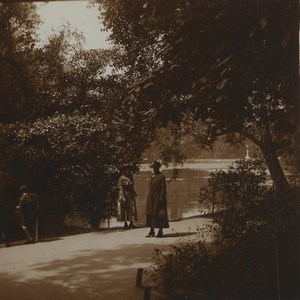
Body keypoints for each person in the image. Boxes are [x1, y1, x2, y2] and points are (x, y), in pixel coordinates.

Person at [145, 160, 169, 238]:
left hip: (158, 198)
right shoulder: (152, 176)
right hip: (151, 197)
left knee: (159, 214)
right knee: (151, 213)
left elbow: (163, 188)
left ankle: (160, 231)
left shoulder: (161, 176)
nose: (153, 169)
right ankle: (152, 231)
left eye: (154, 167)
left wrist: (161, 198)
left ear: (158, 167)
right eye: (152, 167)